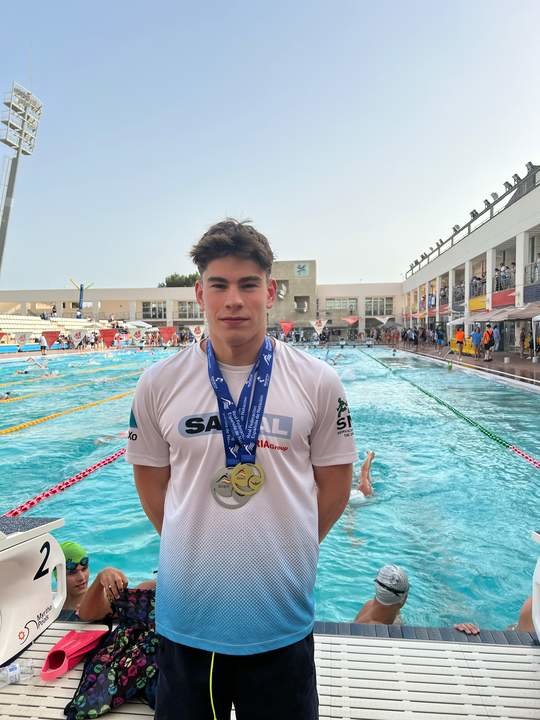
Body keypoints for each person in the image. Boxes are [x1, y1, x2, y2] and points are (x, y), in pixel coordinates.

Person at [127, 219, 357, 720]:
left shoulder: (318, 381)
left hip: (280, 621)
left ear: (269, 292)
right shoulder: (159, 383)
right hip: (189, 620)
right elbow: (150, 479)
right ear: (199, 293)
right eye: (220, 285)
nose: (234, 299)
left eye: (248, 285)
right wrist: (191, 542)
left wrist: (291, 543)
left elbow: (336, 484)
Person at [58, 541, 128, 621]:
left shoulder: (104, 598)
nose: (81, 577)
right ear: (58, 576)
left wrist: (106, 572)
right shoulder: (52, 605)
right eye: (72, 573)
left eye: (84, 569)